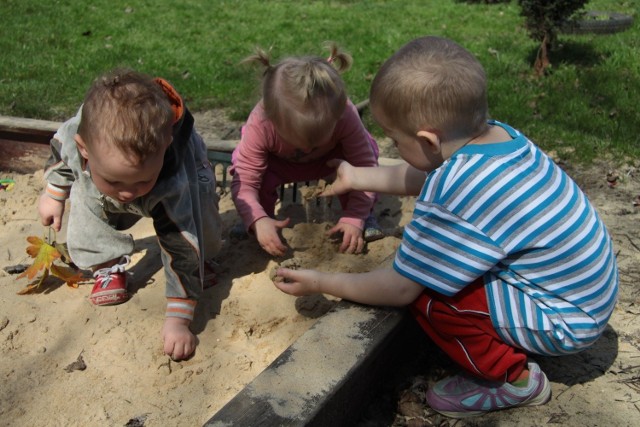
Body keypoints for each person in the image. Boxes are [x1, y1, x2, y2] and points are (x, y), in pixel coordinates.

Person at [273, 36, 619, 418]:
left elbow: (401, 288)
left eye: (393, 139)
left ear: (427, 139)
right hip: (585, 294)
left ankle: (514, 380)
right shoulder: (497, 138)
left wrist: (320, 281)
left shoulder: (458, 188)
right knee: (437, 269)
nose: (393, 144)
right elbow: (426, 172)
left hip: (563, 321)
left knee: (431, 293)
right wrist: (356, 176)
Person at [38, 69, 222, 361]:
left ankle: (205, 261)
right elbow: (61, 153)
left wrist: (178, 320)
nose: (127, 193)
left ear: (164, 149)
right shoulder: (78, 140)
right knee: (85, 193)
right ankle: (106, 264)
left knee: (198, 224)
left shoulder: (169, 179)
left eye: (140, 182)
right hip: (103, 170)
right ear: (84, 149)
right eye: (115, 182)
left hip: (183, 171)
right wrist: (53, 193)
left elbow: (180, 242)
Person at [229, 43, 383, 257]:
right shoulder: (261, 122)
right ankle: (257, 218)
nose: (308, 147)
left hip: (332, 163)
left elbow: (365, 168)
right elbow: (245, 180)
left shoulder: (345, 114)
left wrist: (355, 218)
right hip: (280, 165)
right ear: (273, 121)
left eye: (317, 139)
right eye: (300, 139)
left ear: (337, 117)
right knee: (254, 183)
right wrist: (257, 218)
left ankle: (364, 215)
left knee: (365, 159)